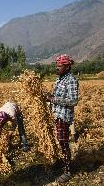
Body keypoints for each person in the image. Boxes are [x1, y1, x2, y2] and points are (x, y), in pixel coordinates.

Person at [45, 54, 79, 183]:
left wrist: (53, 99)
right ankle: (65, 163)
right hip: (57, 115)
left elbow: (73, 101)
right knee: (60, 141)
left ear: (67, 66)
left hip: (64, 116)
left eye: (59, 66)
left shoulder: (71, 80)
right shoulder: (59, 79)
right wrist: (48, 95)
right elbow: (56, 96)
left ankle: (68, 171)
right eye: (57, 65)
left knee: (63, 143)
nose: (57, 67)